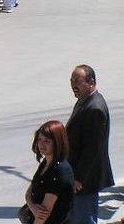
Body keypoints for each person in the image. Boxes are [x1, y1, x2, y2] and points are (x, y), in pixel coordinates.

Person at [66, 65, 114, 224]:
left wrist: (78, 178)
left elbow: (93, 150)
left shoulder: (95, 108)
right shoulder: (84, 101)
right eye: (71, 80)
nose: (73, 85)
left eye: (77, 81)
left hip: (84, 181)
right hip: (78, 176)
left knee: (84, 219)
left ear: (91, 82)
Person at [24, 120, 74, 224]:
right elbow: (29, 192)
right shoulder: (46, 163)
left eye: (47, 141)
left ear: (58, 142)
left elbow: (43, 216)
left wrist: (34, 208)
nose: (41, 144)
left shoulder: (59, 171)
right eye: (39, 139)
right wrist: (33, 207)